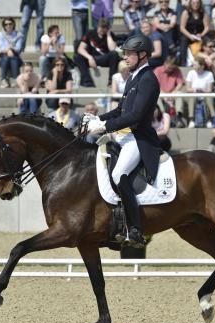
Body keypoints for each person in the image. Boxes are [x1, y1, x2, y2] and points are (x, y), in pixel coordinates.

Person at [84, 33, 161, 249]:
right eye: (125, 53)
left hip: (139, 138)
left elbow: (135, 116)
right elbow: (120, 110)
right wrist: (99, 119)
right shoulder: (133, 77)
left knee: (119, 174)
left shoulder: (148, 80)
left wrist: (105, 127)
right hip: (125, 135)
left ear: (142, 54)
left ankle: (136, 230)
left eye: (128, 53)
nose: (125, 57)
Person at [74, 18, 120, 88]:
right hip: (92, 58)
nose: (102, 30)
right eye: (101, 27)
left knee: (114, 54)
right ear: (98, 26)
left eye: (105, 28)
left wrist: (108, 35)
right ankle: (88, 82)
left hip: (104, 58)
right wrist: (89, 57)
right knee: (78, 57)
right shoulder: (90, 33)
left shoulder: (110, 35)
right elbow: (80, 49)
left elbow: (112, 49)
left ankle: (111, 81)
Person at [153, 55, 185, 126]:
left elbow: (180, 84)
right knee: (156, 95)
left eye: (172, 68)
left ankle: (178, 116)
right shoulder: (157, 70)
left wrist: (174, 93)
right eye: (169, 67)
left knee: (179, 93)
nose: (171, 70)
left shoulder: (177, 70)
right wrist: (164, 94)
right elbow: (155, 85)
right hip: (161, 93)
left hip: (172, 94)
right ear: (165, 63)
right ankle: (162, 115)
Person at [185, 57, 214, 128]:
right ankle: (191, 120)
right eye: (193, 65)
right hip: (194, 94)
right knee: (192, 97)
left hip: (205, 94)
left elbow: (210, 90)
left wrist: (203, 90)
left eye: (195, 65)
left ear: (202, 66)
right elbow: (188, 89)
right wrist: (195, 90)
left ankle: (209, 120)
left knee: (208, 98)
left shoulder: (209, 74)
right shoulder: (191, 73)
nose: (193, 66)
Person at [179, 0, 210, 66]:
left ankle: (207, 60)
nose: (196, 5)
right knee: (183, 41)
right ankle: (183, 62)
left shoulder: (204, 13)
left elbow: (207, 27)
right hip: (188, 34)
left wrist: (201, 35)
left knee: (208, 40)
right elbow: (182, 28)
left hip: (200, 34)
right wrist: (190, 36)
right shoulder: (186, 13)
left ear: (200, 4)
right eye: (193, 3)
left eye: (197, 3)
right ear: (190, 4)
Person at [0, 17, 24, 88]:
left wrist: (11, 50)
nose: (8, 26)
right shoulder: (1, 34)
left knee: (13, 58)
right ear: (4, 26)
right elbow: (2, 48)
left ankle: (15, 80)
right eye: (6, 24)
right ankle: (3, 80)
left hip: (16, 56)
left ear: (13, 24)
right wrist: (9, 50)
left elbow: (18, 48)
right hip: (4, 56)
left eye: (10, 24)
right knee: (6, 58)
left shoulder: (19, 35)